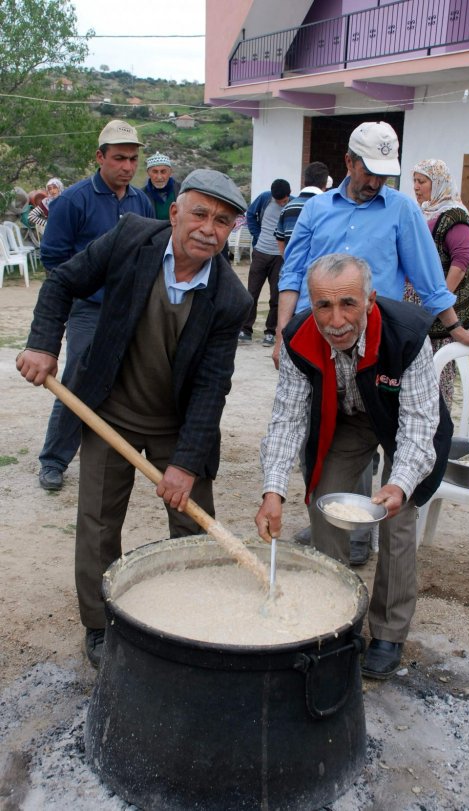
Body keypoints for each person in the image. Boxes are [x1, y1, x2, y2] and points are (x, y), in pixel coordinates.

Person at [16, 168, 252, 668]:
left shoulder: (231, 298)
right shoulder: (130, 238)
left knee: (192, 525)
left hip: (178, 426)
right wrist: (42, 344)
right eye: (201, 214)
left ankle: (190, 614)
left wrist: (186, 464)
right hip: (110, 412)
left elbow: (212, 388)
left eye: (225, 221)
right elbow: (62, 281)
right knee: (99, 522)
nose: (210, 228)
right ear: (174, 213)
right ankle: (101, 626)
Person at [255, 254, 452, 680]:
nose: (336, 319)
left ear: (371, 299)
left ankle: (388, 631)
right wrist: (273, 492)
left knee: (396, 520)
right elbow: (287, 418)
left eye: (349, 303)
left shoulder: (408, 335)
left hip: (404, 422)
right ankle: (337, 615)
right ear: (311, 303)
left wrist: (398, 485)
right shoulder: (297, 339)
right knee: (324, 501)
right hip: (346, 418)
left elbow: (419, 425)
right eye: (323, 305)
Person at [274, 121, 469, 369]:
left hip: (373, 337)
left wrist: (456, 329)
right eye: (368, 172)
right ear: (349, 162)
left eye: (383, 175)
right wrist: (282, 332)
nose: (375, 183)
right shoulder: (315, 208)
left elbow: (429, 280)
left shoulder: (403, 210)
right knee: (307, 406)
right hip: (313, 328)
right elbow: (292, 272)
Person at [37, 119, 154, 492]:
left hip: (130, 308)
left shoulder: (142, 201)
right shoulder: (73, 200)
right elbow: (54, 259)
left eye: (133, 160)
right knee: (77, 380)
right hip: (87, 308)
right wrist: (80, 293)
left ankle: (113, 455)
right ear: (99, 157)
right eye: (119, 158)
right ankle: (54, 459)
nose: (127, 167)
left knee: (129, 380)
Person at [408, 159, 469, 408]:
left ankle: (439, 426)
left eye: (422, 181)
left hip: (441, 307)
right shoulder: (426, 211)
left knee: (439, 373)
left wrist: (439, 300)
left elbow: (462, 261)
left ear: (438, 184)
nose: (416, 187)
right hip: (419, 303)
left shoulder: (454, 215)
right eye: (414, 181)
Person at [238, 178, 291, 346]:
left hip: (279, 257)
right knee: (251, 292)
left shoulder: (293, 204)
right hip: (261, 252)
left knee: (276, 295)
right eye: (278, 200)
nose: (281, 203)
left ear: (288, 195)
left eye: (283, 200)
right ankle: (246, 329)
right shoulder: (264, 198)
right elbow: (250, 215)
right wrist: (257, 235)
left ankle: (270, 331)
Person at [274, 161, 329, 253]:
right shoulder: (329, 207)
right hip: (318, 266)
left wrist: (289, 260)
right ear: (325, 183)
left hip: (291, 266)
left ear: (304, 180)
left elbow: (280, 239)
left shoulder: (287, 208)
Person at [142, 151, 180, 224]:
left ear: (170, 172)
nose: (159, 177)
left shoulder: (181, 190)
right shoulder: (141, 195)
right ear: (148, 173)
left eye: (163, 172)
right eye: (155, 172)